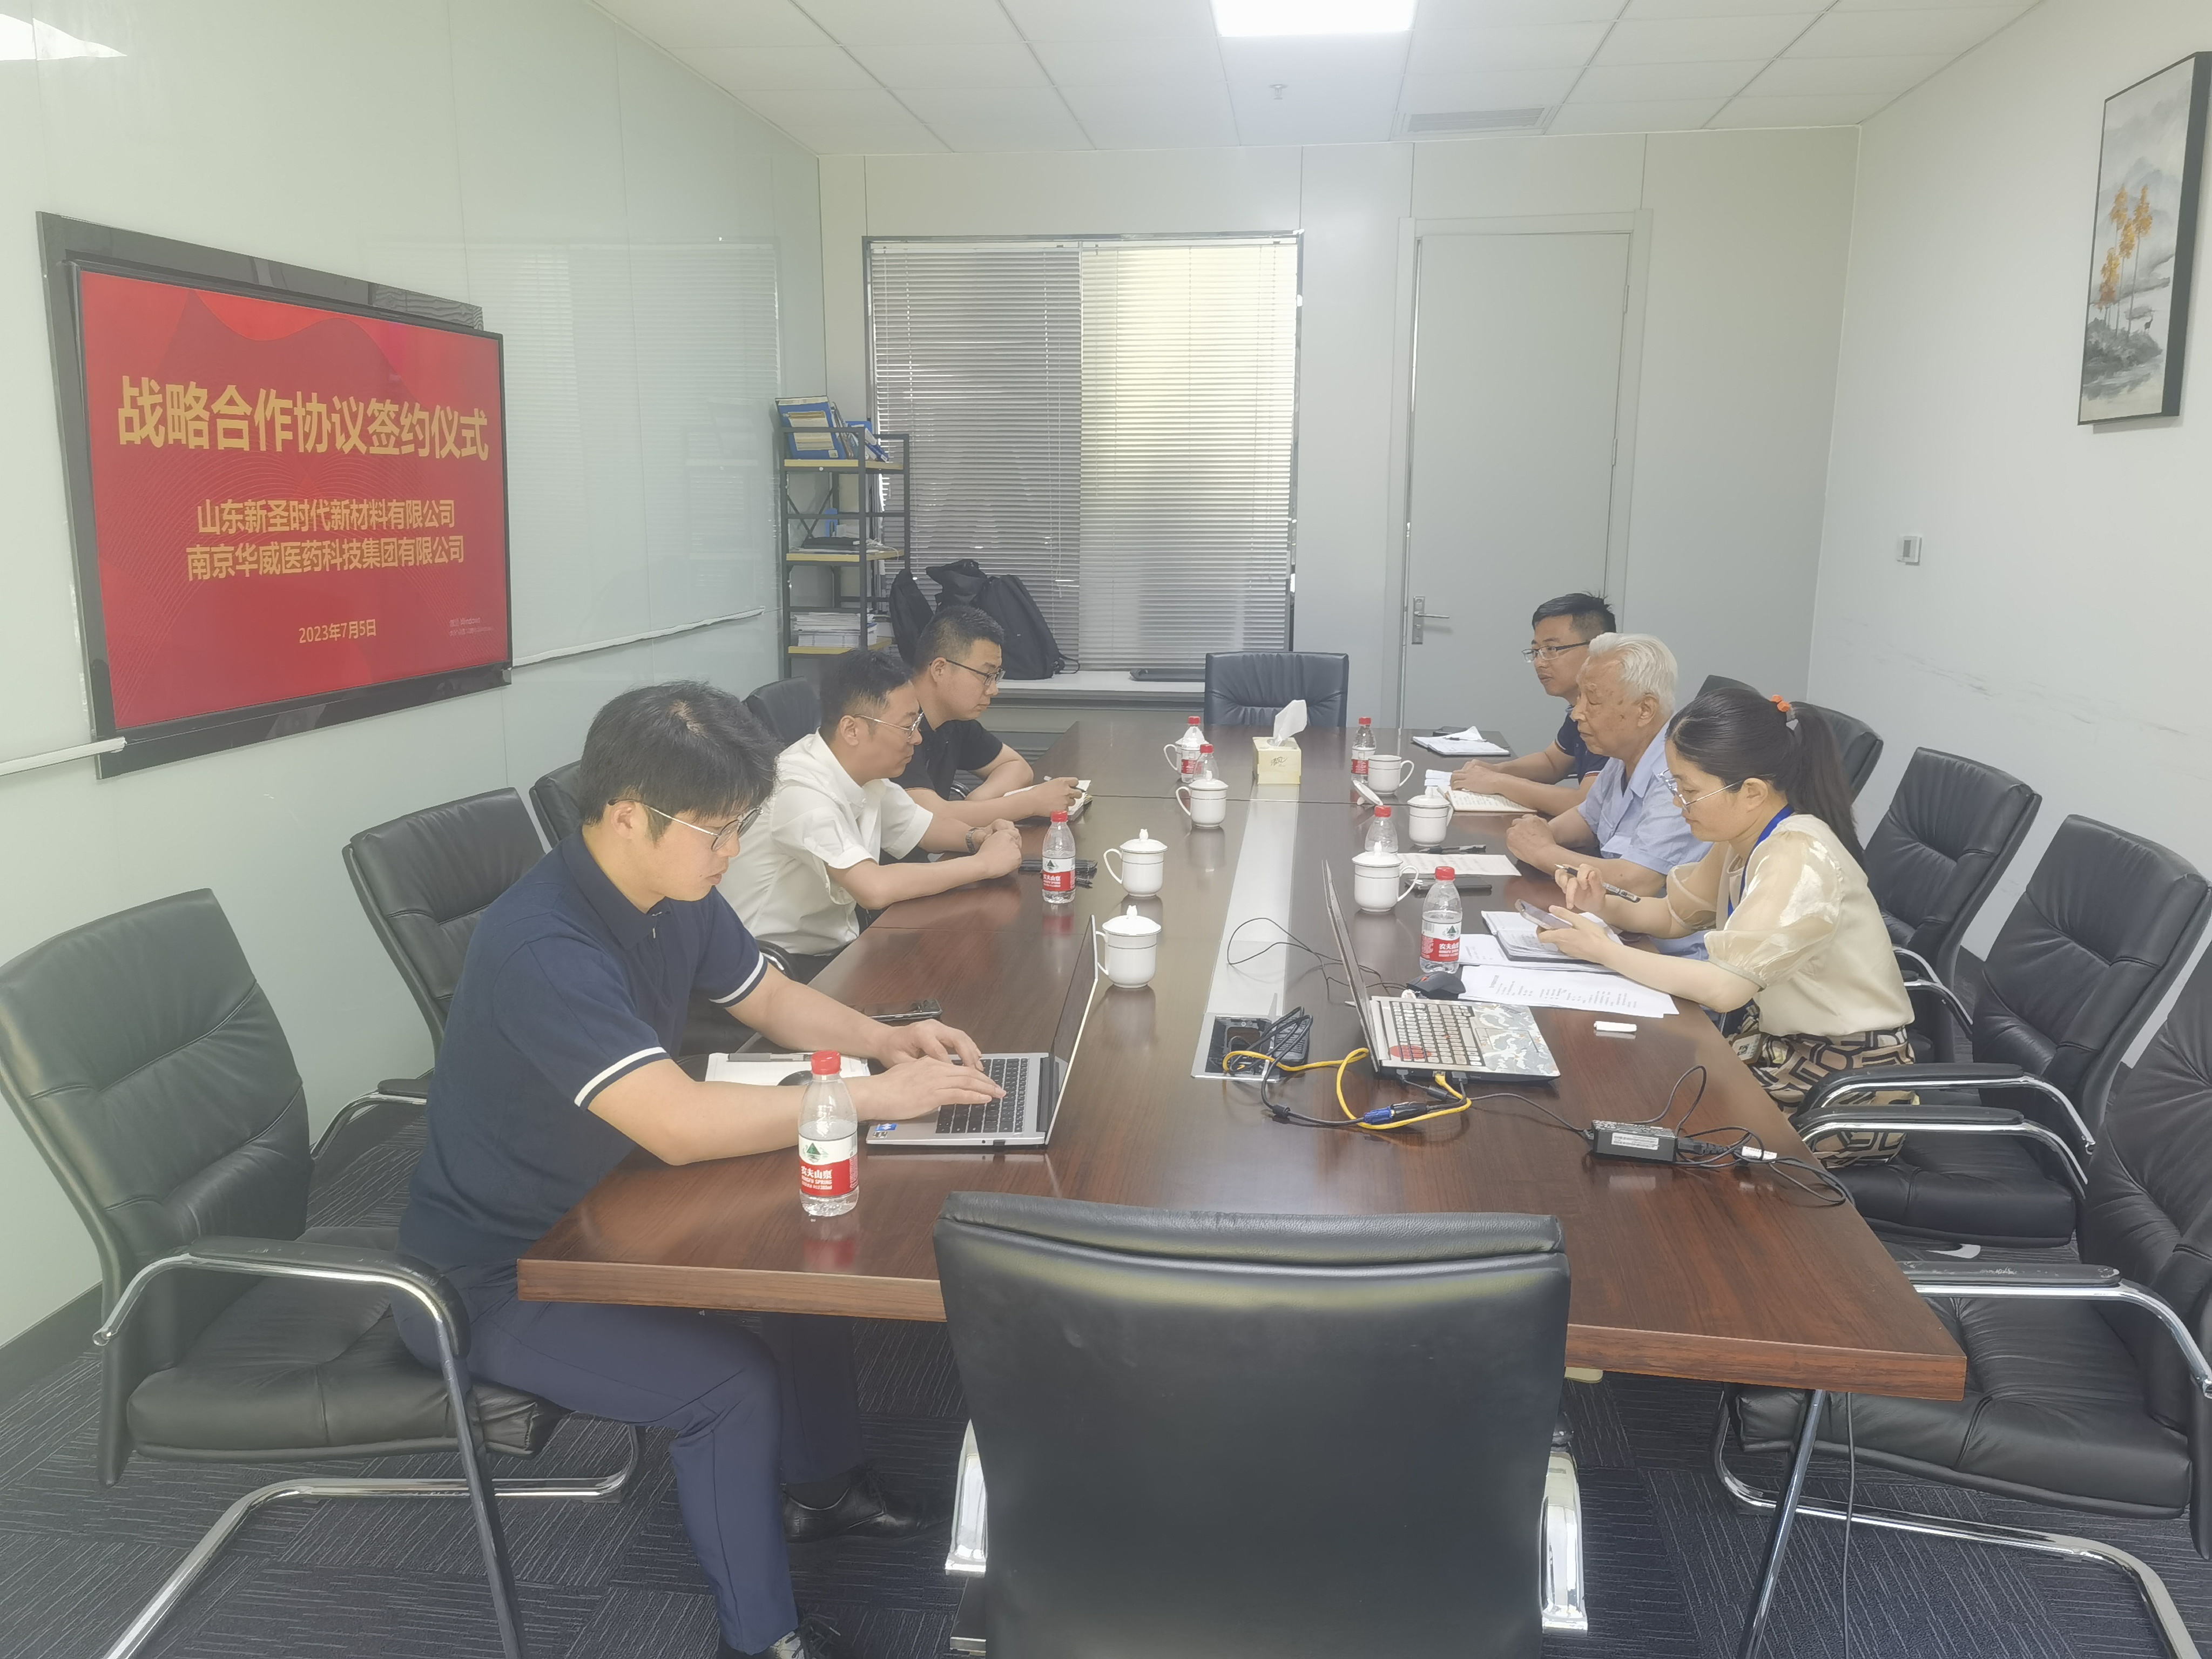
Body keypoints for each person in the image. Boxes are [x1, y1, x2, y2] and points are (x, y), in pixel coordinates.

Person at [397, 680, 1010, 1659]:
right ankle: (760, 1641)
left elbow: (766, 995)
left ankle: (823, 1490)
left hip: (607, 1200)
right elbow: (677, 1124)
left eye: (741, 827)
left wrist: (885, 1041)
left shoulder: (667, 888)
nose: (731, 853)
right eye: (717, 832)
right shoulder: (543, 946)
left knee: (803, 1266)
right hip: (498, 1273)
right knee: (729, 1387)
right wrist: (866, 1098)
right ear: (626, 815)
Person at [1540, 685, 1916, 1124]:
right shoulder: (1743, 837)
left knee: (1648, 1120)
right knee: (1630, 1103)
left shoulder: (1798, 855)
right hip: (1773, 1048)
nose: (1678, 802)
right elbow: (1674, 916)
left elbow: (1725, 989)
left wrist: (1605, 951)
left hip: (1844, 1081)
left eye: (1688, 789)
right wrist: (1602, 904)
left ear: (1751, 792)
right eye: (1675, 784)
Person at [722, 648, 1024, 977]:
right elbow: (873, 889)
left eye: (918, 723)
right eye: (907, 726)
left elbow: (924, 828)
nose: (917, 738)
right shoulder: (801, 791)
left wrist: (979, 838)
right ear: (852, 730)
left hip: (839, 947)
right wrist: (984, 864)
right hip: (775, 967)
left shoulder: (861, 773)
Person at [1502, 634, 1707, 956]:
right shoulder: (1624, 755)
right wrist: (1540, 833)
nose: (1577, 713)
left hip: (1664, 954)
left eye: (1593, 701)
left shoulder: (1678, 775)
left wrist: (1542, 852)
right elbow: (1588, 818)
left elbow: (1637, 881)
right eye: (1580, 698)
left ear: (1645, 710)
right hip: (1618, 931)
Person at [898, 606, 1081, 827]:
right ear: (940, 669)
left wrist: (976, 805)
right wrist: (1031, 802)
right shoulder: (898, 726)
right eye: (986, 675)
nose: (994, 690)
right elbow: (929, 818)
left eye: (996, 676)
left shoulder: (954, 721)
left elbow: (1017, 766)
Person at [1449, 592, 1616, 814]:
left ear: (1597, 649)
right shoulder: (1580, 707)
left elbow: (1585, 803)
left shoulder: (1614, 711)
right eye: (1536, 651)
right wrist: (1496, 770)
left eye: (1551, 650)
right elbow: (1552, 763)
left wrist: (1498, 782)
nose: (1539, 663)